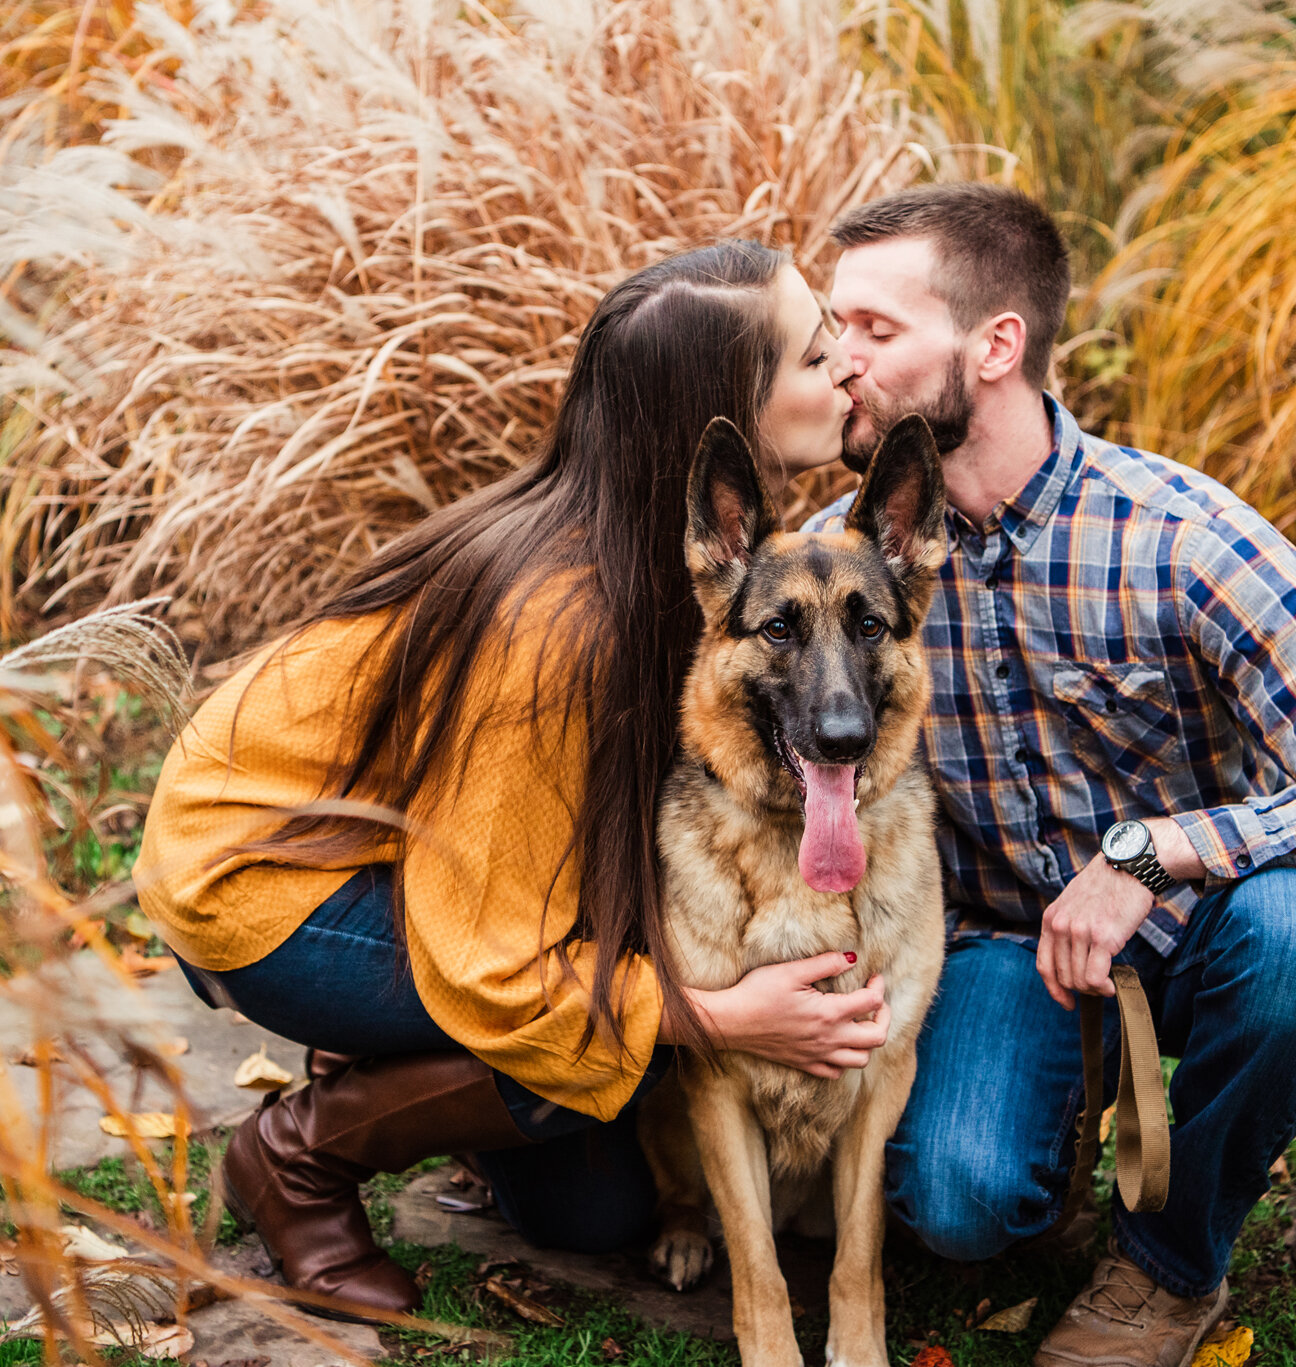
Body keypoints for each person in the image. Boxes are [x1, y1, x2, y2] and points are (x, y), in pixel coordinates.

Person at [133, 239, 884, 1323]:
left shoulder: (687, 553)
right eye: (815, 358)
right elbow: (499, 967)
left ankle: (394, 1057)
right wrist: (717, 1015)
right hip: (266, 878)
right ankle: (293, 1160)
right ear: (724, 409)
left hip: (415, 851)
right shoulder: (559, 621)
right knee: (564, 1044)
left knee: (592, 1212)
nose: (845, 373)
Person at [808, 184, 1296, 1367]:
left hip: (1183, 932)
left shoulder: (1179, 533)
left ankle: (1168, 1261)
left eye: (875, 331)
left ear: (995, 343)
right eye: (832, 329)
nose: (840, 364)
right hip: (992, 947)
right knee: (962, 1209)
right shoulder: (841, 560)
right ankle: (1052, 1124)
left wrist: (1154, 850)